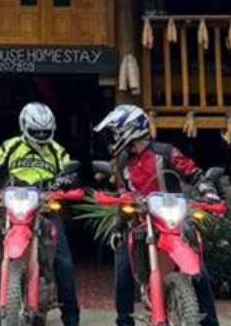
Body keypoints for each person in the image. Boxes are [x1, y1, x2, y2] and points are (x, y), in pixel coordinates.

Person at [93, 103, 219, 326]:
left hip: (174, 220)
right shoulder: (122, 162)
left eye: (116, 132)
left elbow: (194, 173)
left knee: (200, 272)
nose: (113, 137)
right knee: (123, 268)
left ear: (130, 129)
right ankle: (124, 321)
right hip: (141, 221)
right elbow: (124, 195)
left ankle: (211, 322)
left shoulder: (166, 152)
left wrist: (208, 191)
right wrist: (118, 223)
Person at [0, 102, 80, 326]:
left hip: (46, 210)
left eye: (45, 131)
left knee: (64, 262)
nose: (41, 135)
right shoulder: (9, 146)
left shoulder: (57, 150)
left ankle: (72, 319)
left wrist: (68, 180)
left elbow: (71, 171)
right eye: (36, 131)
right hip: (14, 210)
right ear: (24, 126)